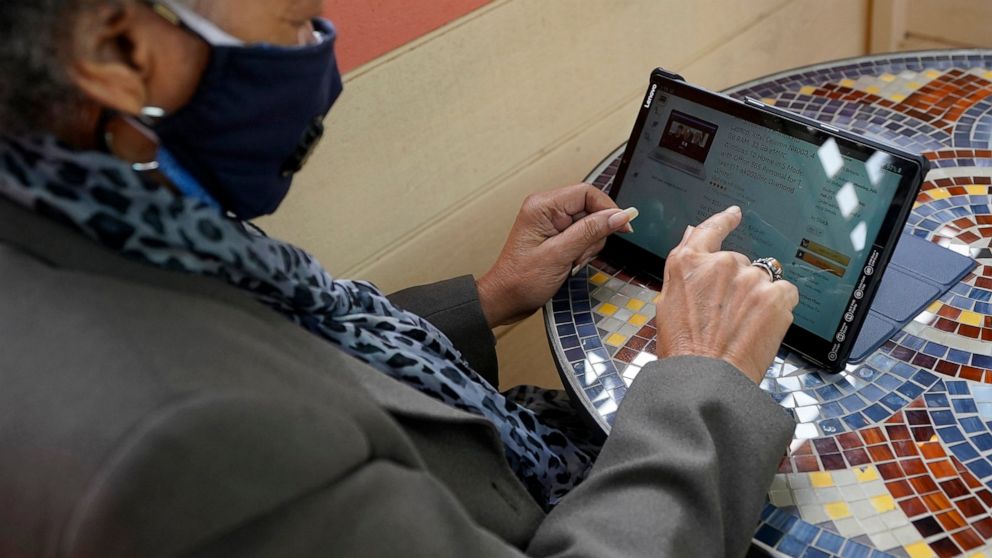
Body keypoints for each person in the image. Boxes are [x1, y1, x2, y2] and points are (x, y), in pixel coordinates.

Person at [0, 1, 800, 556]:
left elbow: (302, 354)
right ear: (116, 51)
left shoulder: (90, 215)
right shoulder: (185, 450)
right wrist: (704, 378)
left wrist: (490, 297)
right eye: (293, 19)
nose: (318, 45)